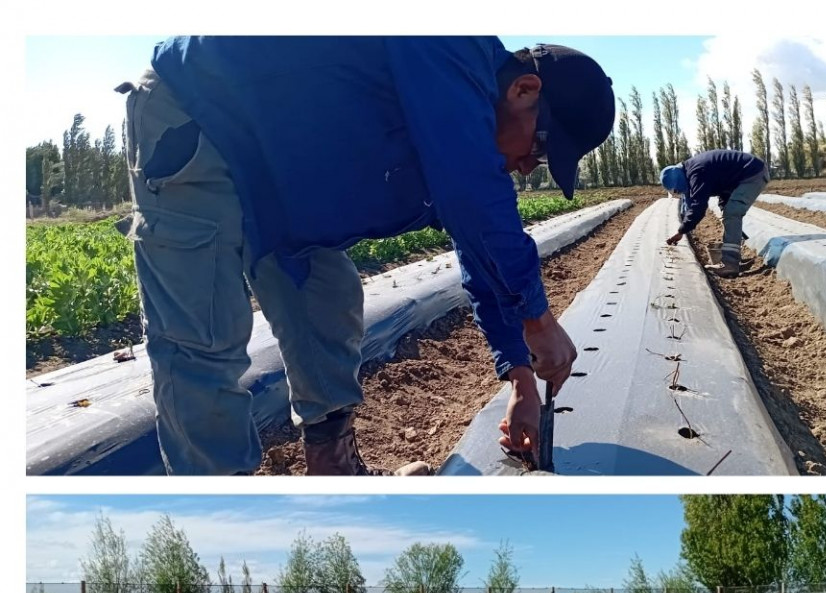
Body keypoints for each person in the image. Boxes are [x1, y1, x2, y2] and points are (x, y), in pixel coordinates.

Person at [123, 37, 616, 475]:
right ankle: (226, 516)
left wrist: (521, 378)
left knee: (327, 302)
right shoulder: (449, 44)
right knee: (201, 335)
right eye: (543, 149)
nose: (530, 168)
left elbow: (477, 246)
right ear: (524, 90)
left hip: (280, 162)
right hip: (198, 113)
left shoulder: (455, 115)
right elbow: (474, 197)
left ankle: (332, 464)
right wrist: (537, 318)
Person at [661, 149, 769, 277]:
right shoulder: (691, 170)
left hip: (752, 173)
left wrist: (681, 231)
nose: (680, 193)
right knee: (727, 210)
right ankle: (734, 259)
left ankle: (729, 264)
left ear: (678, 181)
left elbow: (698, 206)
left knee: (732, 213)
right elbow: (694, 200)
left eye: (678, 190)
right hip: (741, 176)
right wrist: (685, 225)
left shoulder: (697, 172)